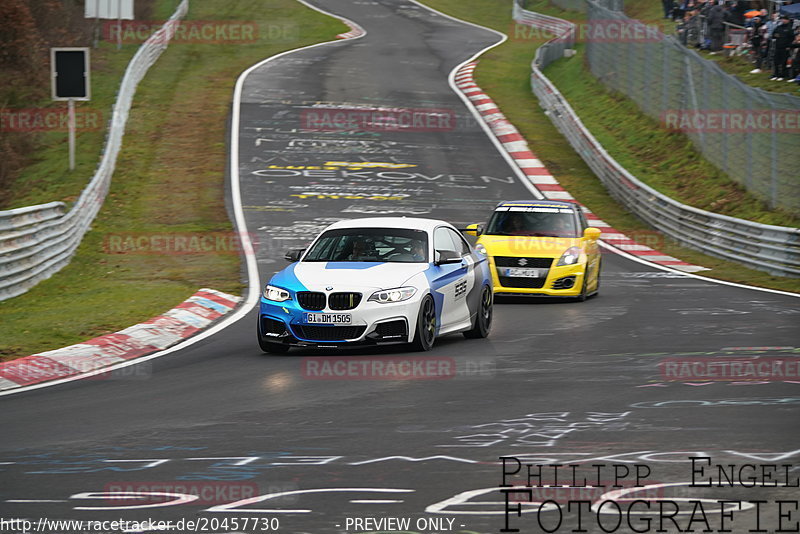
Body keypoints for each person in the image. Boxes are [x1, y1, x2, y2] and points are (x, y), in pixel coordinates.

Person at [770, 15, 796, 81]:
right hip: (777, 46)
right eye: (782, 19)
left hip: (785, 48)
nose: (783, 20)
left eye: (784, 19)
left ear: (787, 20)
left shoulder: (790, 29)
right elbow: (773, 34)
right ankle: (776, 74)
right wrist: (776, 35)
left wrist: (788, 46)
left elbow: (792, 38)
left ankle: (782, 75)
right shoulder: (779, 27)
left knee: (783, 62)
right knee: (776, 61)